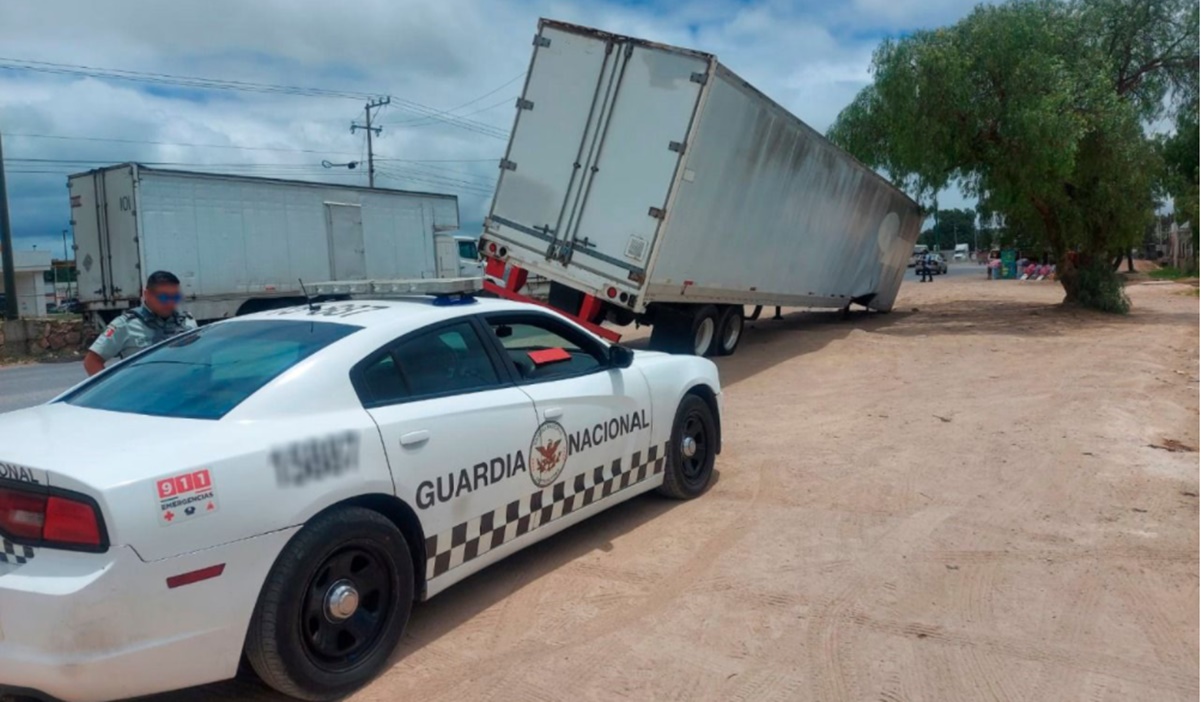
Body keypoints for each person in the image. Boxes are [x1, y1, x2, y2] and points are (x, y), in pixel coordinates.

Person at [84, 271, 197, 376]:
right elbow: (92, 361)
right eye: (164, 297)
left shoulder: (187, 323)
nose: (170, 302)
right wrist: (113, 392)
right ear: (147, 294)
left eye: (175, 297)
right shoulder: (126, 325)